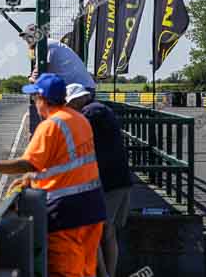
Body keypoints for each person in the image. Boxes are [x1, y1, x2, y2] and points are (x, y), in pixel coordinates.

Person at [0, 74, 106, 277]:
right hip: (93, 209)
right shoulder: (80, 119)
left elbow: (29, 163)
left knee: (65, 272)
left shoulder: (50, 126)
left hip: (66, 215)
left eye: (34, 97)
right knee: (86, 269)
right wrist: (33, 178)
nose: (34, 103)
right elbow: (66, 163)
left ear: (42, 99)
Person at [65, 83, 132, 277]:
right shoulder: (101, 110)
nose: (68, 109)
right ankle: (108, 273)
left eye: (69, 104)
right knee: (108, 233)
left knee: (93, 233)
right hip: (119, 180)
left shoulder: (92, 113)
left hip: (108, 182)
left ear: (78, 99)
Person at [21, 24, 96, 97]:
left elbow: (38, 74)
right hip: (82, 89)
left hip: (79, 91)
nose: (26, 40)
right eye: (25, 37)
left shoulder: (43, 45)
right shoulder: (49, 43)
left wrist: (30, 78)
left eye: (29, 37)